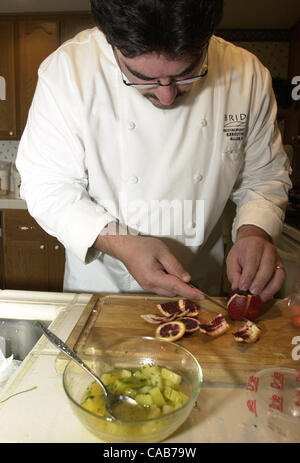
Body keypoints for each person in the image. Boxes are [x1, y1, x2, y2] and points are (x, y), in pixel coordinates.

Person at [16, 0, 291, 302]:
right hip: (103, 288)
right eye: (144, 78)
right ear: (112, 43)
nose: (167, 95)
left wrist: (255, 232)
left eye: (186, 73)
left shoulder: (246, 75)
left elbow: (264, 177)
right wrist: (122, 243)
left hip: (200, 284)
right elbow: (46, 186)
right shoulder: (68, 72)